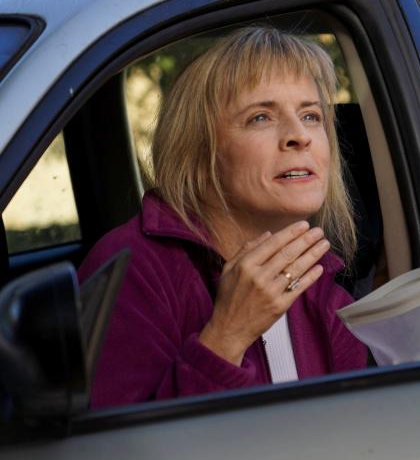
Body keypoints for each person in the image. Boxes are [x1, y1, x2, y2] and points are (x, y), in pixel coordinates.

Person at [80, 26, 368, 408]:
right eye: (261, 118)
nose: (300, 136)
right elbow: (114, 459)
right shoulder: (133, 268)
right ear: (199, 154)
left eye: (312, 116)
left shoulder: (323, 293)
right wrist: (227, 335)